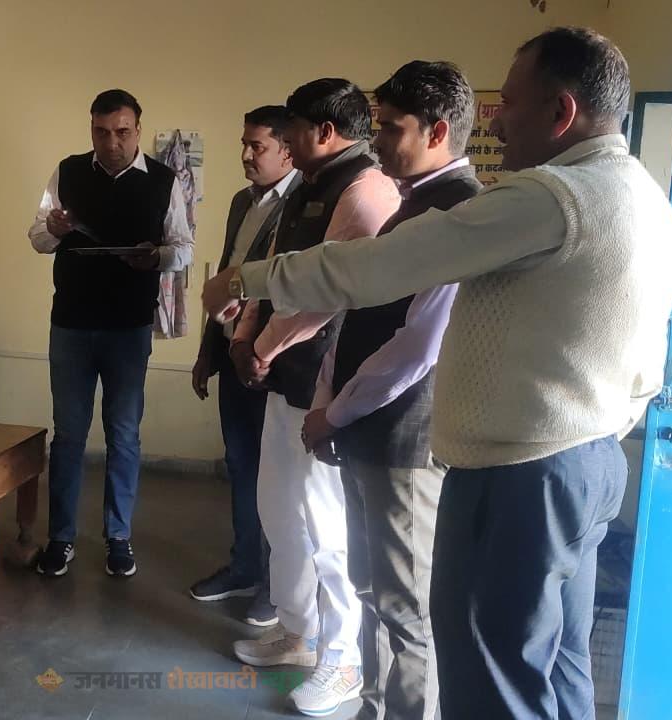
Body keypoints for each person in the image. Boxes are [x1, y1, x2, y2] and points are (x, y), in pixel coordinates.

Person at [204, 28, 672, 720]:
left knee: (492, 674)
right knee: (556, 667)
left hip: (522, 476)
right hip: (590, 460)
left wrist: (245, 280)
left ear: (561, 112)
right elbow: (648, 360)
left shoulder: (550, 199)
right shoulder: (644, 197)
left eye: (509, 102)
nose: (495, 120)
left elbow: (377, 269)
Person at [301, 61, 481, 720]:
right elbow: (358, 312)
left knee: (407, 609)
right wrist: (331, 405)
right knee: (370, 589)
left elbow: (417, 346)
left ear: (437, 131)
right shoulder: (411, 204)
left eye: (391, 128)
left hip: (404, 439)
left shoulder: (460, 212)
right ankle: (374, 708)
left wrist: (335, 412)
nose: (377, 142)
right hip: (366, 427)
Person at [227, 79, 401, 718]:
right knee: (278, 508)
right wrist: (245, 337)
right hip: (284, 377)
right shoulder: (305, 186)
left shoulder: (366, 190)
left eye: (292, 130)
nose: (282, 142)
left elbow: (327, 292)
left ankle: (343, 660)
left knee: (328, 529)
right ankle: (297, 632)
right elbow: (274, 270)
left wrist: (263, 345)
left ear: (324, 132)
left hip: (328, 385)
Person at [28, 89, 194, 578]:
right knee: (68, 436)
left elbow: (183, 246)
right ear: (91, 130)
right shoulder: (67, 172)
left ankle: (118, 537)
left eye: (122, 132)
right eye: (102, 133)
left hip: (129, 327)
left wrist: (156, 256)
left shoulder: (163, 180)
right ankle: (60, 538)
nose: (112, 143)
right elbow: (38, 238)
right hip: (71, 325)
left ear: (138, 130)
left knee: (123, 435)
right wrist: (55, 229)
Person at [188, 105, 300, 627]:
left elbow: (287, 289)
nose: (246, 155)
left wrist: (259, 350)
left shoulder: (300, 204)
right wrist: (207, 351)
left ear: (287, 151)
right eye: (245, 144)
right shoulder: (242, 201)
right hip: (231, 354)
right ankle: (244, 567)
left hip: (269, 361)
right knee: (240, 466)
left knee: (274, 478)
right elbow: (225, 281)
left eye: (258, 146)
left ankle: (277, 586)